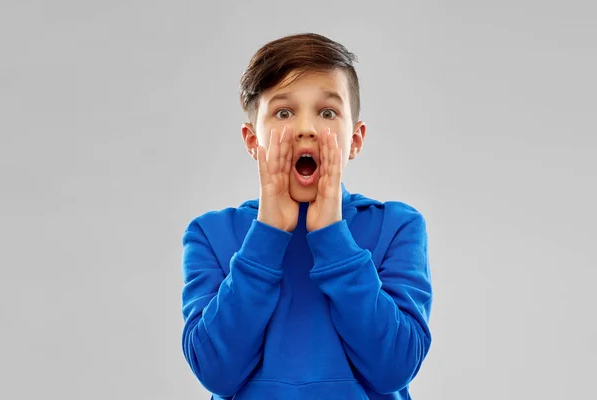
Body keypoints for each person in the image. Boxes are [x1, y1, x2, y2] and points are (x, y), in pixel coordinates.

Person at [180, 32, 433, 400]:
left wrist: (332, 234)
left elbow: (394, 367)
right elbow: (216, 372)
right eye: (284, 112)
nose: (306, 128)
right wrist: (266, 234)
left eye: (327, 112)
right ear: (253, 141)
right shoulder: (211, 234)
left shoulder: (397, 227)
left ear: (355, 140)